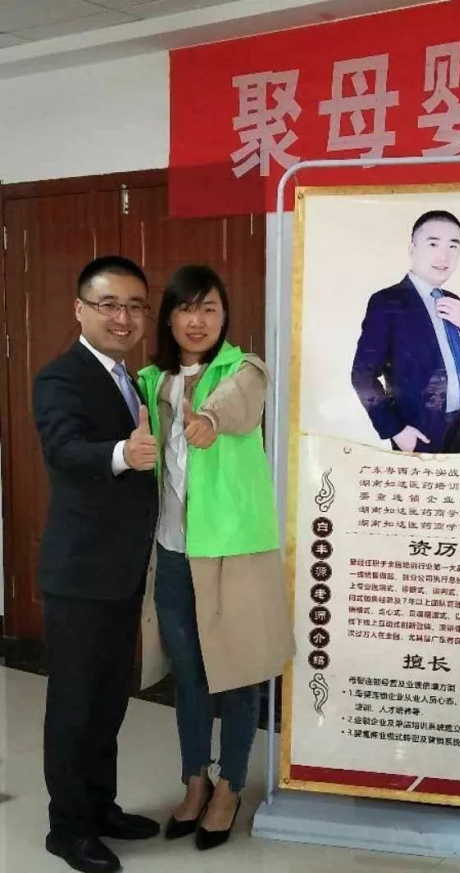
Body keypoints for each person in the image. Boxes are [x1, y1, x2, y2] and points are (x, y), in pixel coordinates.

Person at [137, 264, 295, 852]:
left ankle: (230, 786)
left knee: (240, 672)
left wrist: (207, 419)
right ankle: (195, 780)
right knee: (191, 675)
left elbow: (235, 406)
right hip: (174, 551)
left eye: (209, 308)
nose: (197, 320)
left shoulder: (245, 370)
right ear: (169, 318)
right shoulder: (152, 381)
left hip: (234, 549)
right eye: (186, 308)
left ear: (225, 316)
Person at [33, 256, 160, 873]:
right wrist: (121, 453)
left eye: (135, 306)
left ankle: (101, 807)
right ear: (80, 309)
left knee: (109, 699)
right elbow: (63, 450)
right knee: (75, 705)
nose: (123, 318)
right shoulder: (62, 376)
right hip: (80, 574)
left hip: (120, 571)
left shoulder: (128, 378)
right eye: (109, 304)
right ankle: (69, 828)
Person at [351, 210, 460, 454]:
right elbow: (362, 376)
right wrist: (395, 430)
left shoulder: (453, 300)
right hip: (418, 433)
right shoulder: (387, 302)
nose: (443, 256)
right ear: (412, 248)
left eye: (453, 246)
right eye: (433, 244)